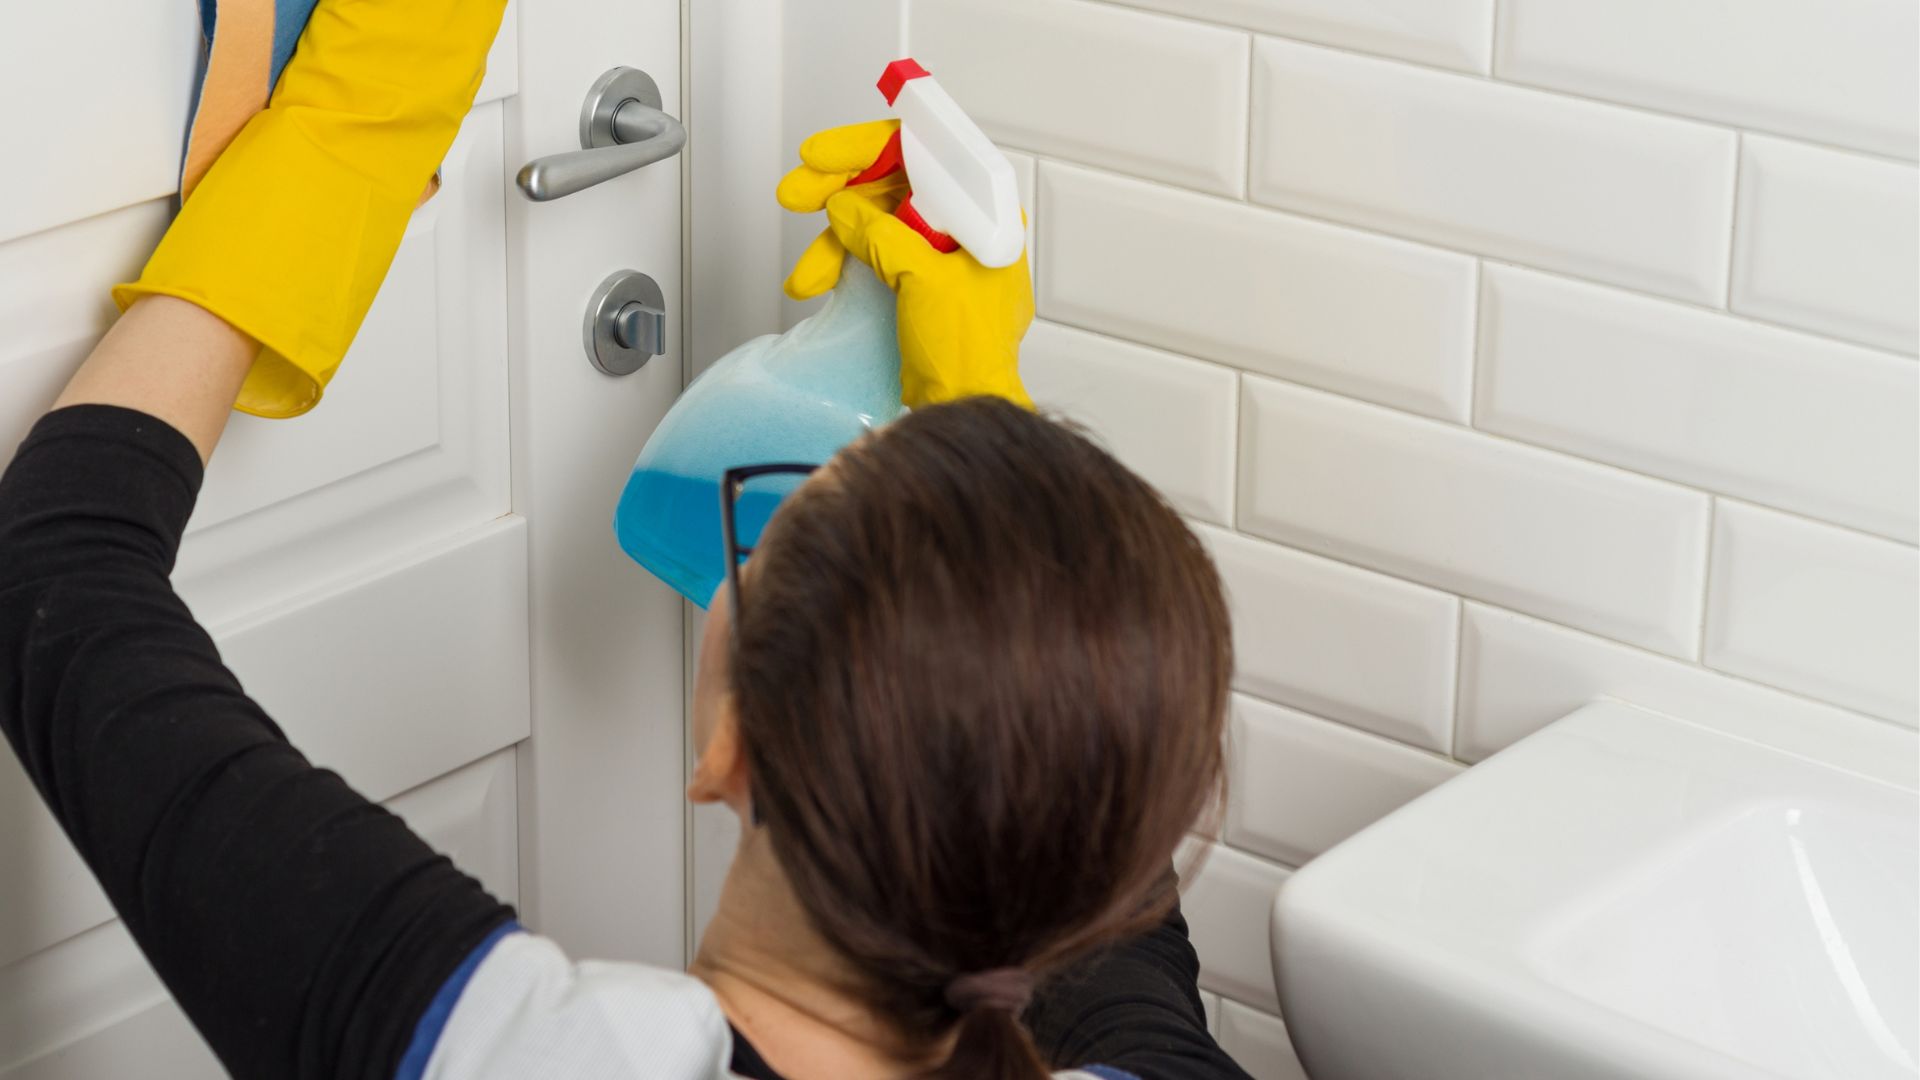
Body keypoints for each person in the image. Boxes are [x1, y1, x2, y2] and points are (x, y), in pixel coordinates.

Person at [0, 4, 1254, 1079]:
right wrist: (975, 411)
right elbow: (1082, 774)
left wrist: (345, 134)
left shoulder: (512, 1051)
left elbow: (59, 576)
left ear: (726, 746)